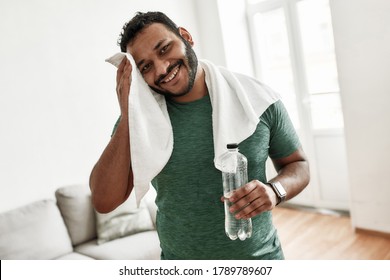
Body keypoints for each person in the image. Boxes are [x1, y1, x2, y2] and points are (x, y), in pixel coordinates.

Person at [89, 11, 310, 260]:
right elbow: (103, 201)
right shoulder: (140, 120)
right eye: (146, 66)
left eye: (164, 49)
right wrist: (128, 115)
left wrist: (275, 191)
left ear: (186, 37)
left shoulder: (257, 99)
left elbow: (298, 165)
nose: (162, 69)